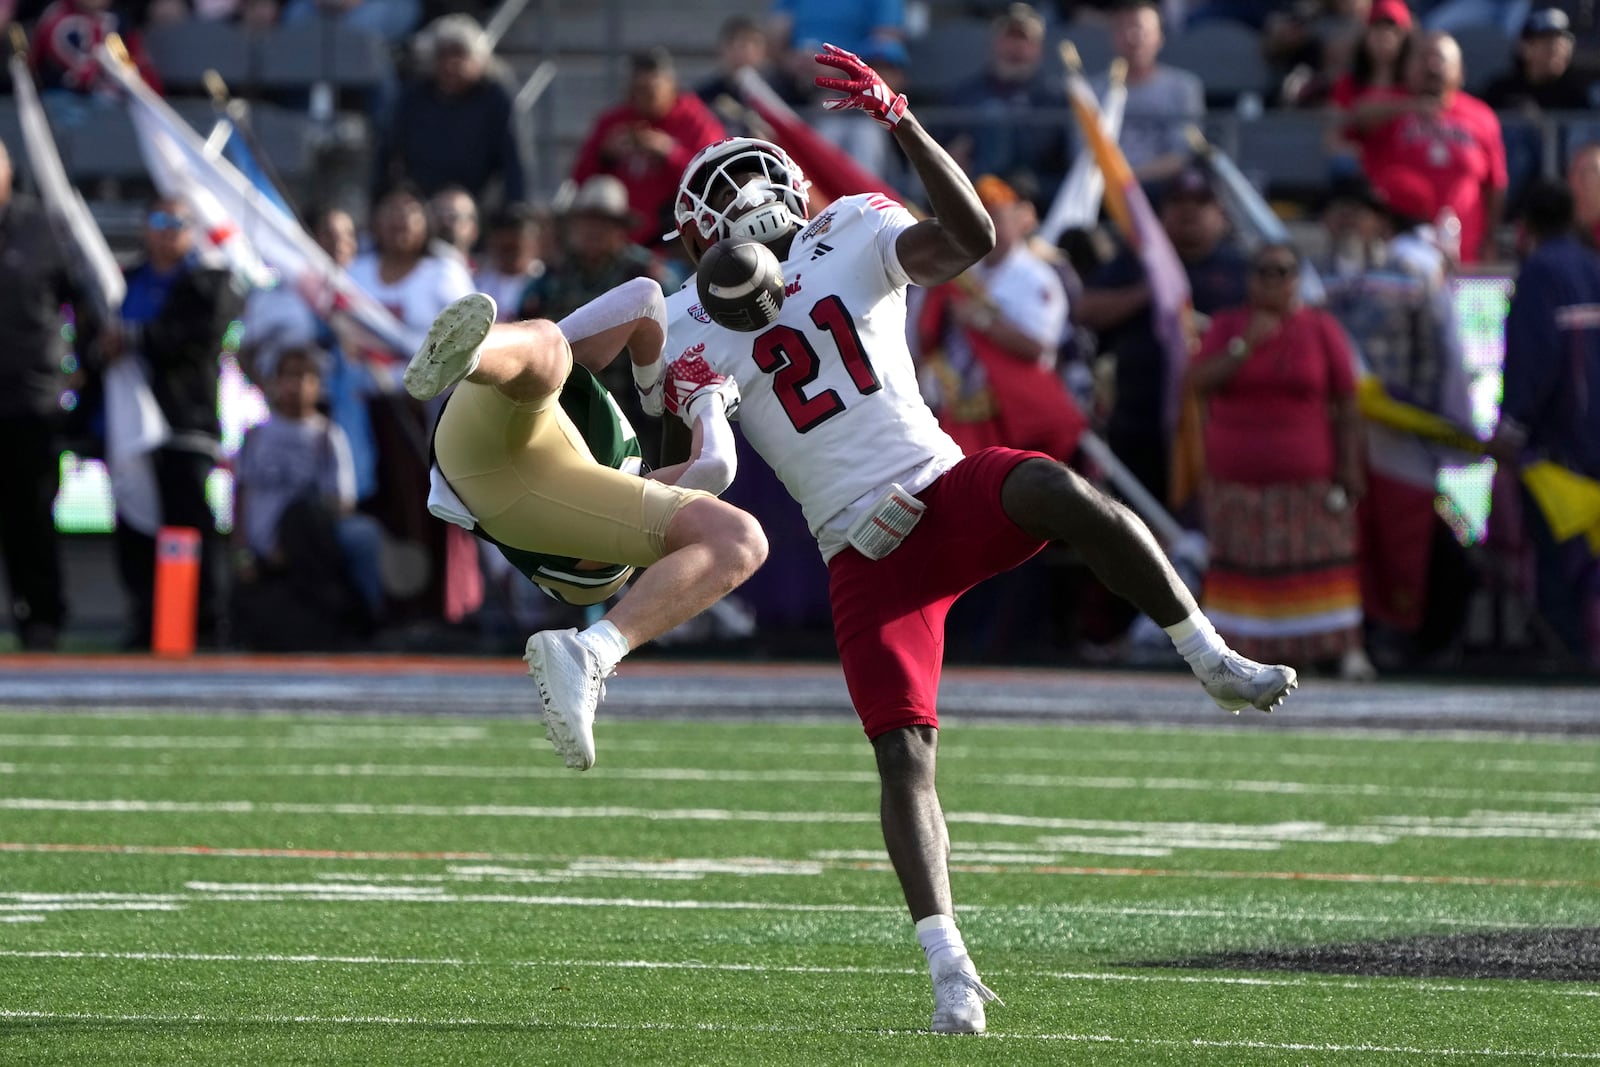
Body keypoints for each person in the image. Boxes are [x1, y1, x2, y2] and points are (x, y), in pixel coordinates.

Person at [633, 47, 1295, 1035]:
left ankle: (1205, 652)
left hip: (939, 486)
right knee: (903, 756)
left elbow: (972, 235)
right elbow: (674, 442)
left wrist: (900, 117)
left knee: (1053, 486)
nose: (744, 205)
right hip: (862, 549)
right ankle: (949, 968)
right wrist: (643, 375)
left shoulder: (849, 229)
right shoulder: (687, 320)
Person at [403, 278, 768, 762]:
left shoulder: (631, 485)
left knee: (740, 539)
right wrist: (655, 384)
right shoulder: (585, 401)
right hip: (489, 432)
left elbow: (714, 467)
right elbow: (643, 296)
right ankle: (471, 354)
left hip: (547, 523)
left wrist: (708, 399)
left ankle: (593, 653)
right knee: (548, 346)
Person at [1186, 243, 1372, 678]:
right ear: (1249, 280)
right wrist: (1243, 346)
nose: (1273, 281)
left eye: (1283, 272)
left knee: (1321, 564)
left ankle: (1341, 650)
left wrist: (1350, 465)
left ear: (1296, 280)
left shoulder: (1321, 328)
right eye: (1263, 272)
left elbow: (1346, 403)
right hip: (1238, 481)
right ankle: (1239, 657)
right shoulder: (1228, 326)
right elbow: (1195, 382)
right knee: (1243, 568)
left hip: (1307, 479)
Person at [112, 197, 248, 649]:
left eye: (178, 223)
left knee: (190, 527)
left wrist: (133, 337)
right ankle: (148, 620)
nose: (167, 231)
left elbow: (196, 333)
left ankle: (207, 625)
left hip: (184, 422)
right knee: (136, 526)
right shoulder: (124, 280)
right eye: (159, 220)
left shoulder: (208, 280)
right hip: (127, 424)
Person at [1075, 164, 1249, 508]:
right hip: (1141, 422)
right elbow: (1084, 309)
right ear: (1162, 212)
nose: (1189, 210)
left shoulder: (1240, 269)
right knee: (1138, 524)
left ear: (1220, 214)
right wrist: (1148, 291)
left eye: (1201, 202)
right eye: (1178, 201)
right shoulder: (1137, 262)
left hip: (1220, 423)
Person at [1489, 180, 1600, 666]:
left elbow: (1535, 361)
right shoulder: (1592, 266)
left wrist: (1510, 431)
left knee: (1560, 556)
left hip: (1561, 448)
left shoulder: (1540, 274)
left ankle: (1572, 650)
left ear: (1524, 227)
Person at [0, 137, 94, 651]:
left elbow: (86, 301)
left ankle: (42, 621)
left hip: (26, 403)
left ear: (9, 171)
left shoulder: (42, 229)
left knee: (30, 519)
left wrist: (78, 368)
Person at [232, 346, 385, 647]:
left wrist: (297, 535)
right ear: (275, 382)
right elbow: (240, 496)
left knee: (363, 535)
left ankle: (371, 622)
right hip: (263, 547)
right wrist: (242, 551)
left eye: (306, 377)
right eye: (289, 377)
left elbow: (343, 501)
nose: (297, 385)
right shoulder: (256, 436)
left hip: (309, 547)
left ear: (318, 385)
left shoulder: (327, 435)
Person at [1348, 31, 1507, 264]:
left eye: (1441, 59)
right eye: (1424, 58)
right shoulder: (1390, 106)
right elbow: (1358, 115)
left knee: (1488, 301)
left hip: (1465, 255)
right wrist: (1411, 106)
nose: (1432, 66)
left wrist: (1490, 238)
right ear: (1407, 67)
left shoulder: (1482, 116)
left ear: (1460, 70)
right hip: (1398, 255)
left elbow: (1496, 185)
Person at [570, 48, 727, 249]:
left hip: (676, 241)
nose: (642, 97)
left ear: (670, 85)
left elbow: (714, 178)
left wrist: (669, 152)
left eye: (650, 89)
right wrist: (605, 155)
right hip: (619, 244)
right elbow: (580, 179)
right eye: (637, 89)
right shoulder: (615, 121)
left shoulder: (696, 121)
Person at [375, 14, 525, 207]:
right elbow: (388, 150)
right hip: (422, 202)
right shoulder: (413, 97)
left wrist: (514, 210)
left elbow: (514, 162)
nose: (450, 64)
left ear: (478, 58)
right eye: (442, 55)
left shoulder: (496, 96)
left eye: (459, 54)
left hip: (479, 202)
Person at [935, 3, 1071, 196]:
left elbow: (1067, 168)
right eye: (1009, 36)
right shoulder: (962, 96)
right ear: (995, 42)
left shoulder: (1056, 100)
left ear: (1039, 48)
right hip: (975, 198)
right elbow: (936, 156)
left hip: (1035, 203)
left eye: (1024, 39)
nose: (1016, 48)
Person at [1092, 0, 1204, 186]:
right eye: (1126, 28)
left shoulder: (1184, 88)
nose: (1134, 37)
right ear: (1113, 36)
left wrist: (1130, 180)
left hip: (1164, 188)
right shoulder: (1091, 91)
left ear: (1160, 37)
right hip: (1102, 189)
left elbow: (1182, 154)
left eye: (1142, 30)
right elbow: (1084, 153)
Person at [473, 204, 546, 322]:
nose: (509, 255)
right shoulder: (476, 286)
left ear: (534, 241)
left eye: (515, 248)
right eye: (503, 248)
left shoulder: (547, 283)